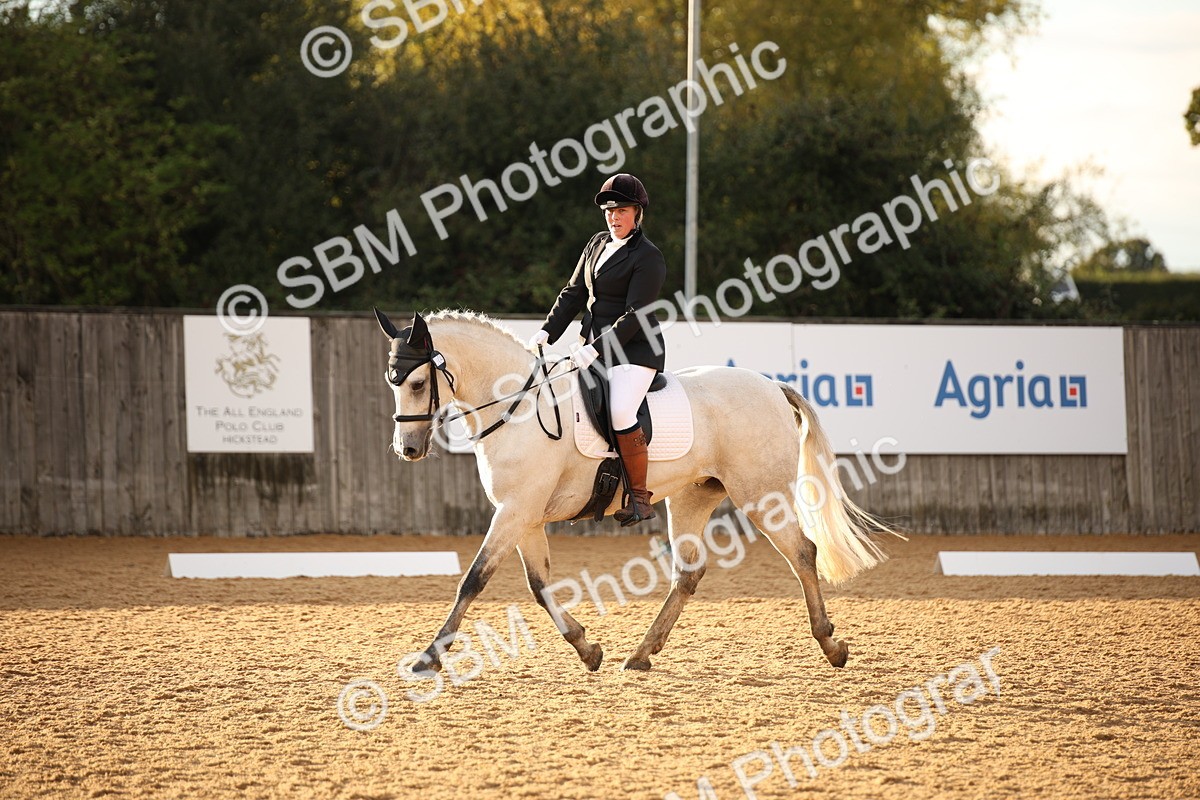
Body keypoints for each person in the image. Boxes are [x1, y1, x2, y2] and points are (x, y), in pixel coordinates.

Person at [527, 173, 666, 526]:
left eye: (621, 210)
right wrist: (547, 330)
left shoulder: (648, 257)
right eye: (608, 210)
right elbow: (573, 292)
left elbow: (635, 314)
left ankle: (639, 497)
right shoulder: (596, 244)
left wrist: (598, 349)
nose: (613, 217)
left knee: (620, 411)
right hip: (589, 345)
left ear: (637, 212)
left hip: (634, 352)